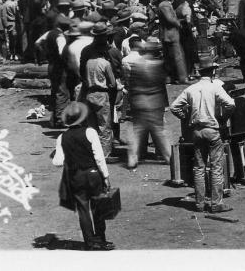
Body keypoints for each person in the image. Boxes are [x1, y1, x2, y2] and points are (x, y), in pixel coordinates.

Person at [169, 56, 235, 213]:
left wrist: (185, 117)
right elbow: (231, 104)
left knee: (199, 168)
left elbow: (174, 107)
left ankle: (199, 204)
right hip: (212, 130)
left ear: (200, 73)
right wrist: (223, 117)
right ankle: (216, 203)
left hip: (197, 132)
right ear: (212, 71)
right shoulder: (215, 88)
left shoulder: (190, 89)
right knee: (216, 167)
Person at [52, 102, 114, 250]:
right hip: (93, 174)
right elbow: (99, 157)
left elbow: (58, 162)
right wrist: (106, 176)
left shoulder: (62, 137)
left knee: (83, 210)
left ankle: (90, 242)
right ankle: (101, 239)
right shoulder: (90, 132)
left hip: (75, 177)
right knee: (97, 208)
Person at [123, 37, 172, 169]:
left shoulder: (137, 65)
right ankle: (169, 157)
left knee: (137, 132)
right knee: (159, 131)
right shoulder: (158, 65)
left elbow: (131, 85)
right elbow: (162, 85)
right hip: (155, 102)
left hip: (139, 101)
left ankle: (132, 159)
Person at [79, 22, 122, 160]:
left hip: (89, 91)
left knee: (92, 124)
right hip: (106, 92)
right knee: (106, 123)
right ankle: (105, 153)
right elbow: (117, 75)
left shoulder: (86, 52)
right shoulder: (111, 53)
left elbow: (81, 72)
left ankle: (93, 151)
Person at [155, 0, 188, 84]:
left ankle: (170, 78)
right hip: (171, 34)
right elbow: (169, 18)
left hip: (166, 34)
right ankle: (183, 78)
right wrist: (179, 24)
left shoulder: (164, 4)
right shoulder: (165, 5)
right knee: (178, 56)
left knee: (168, 57)